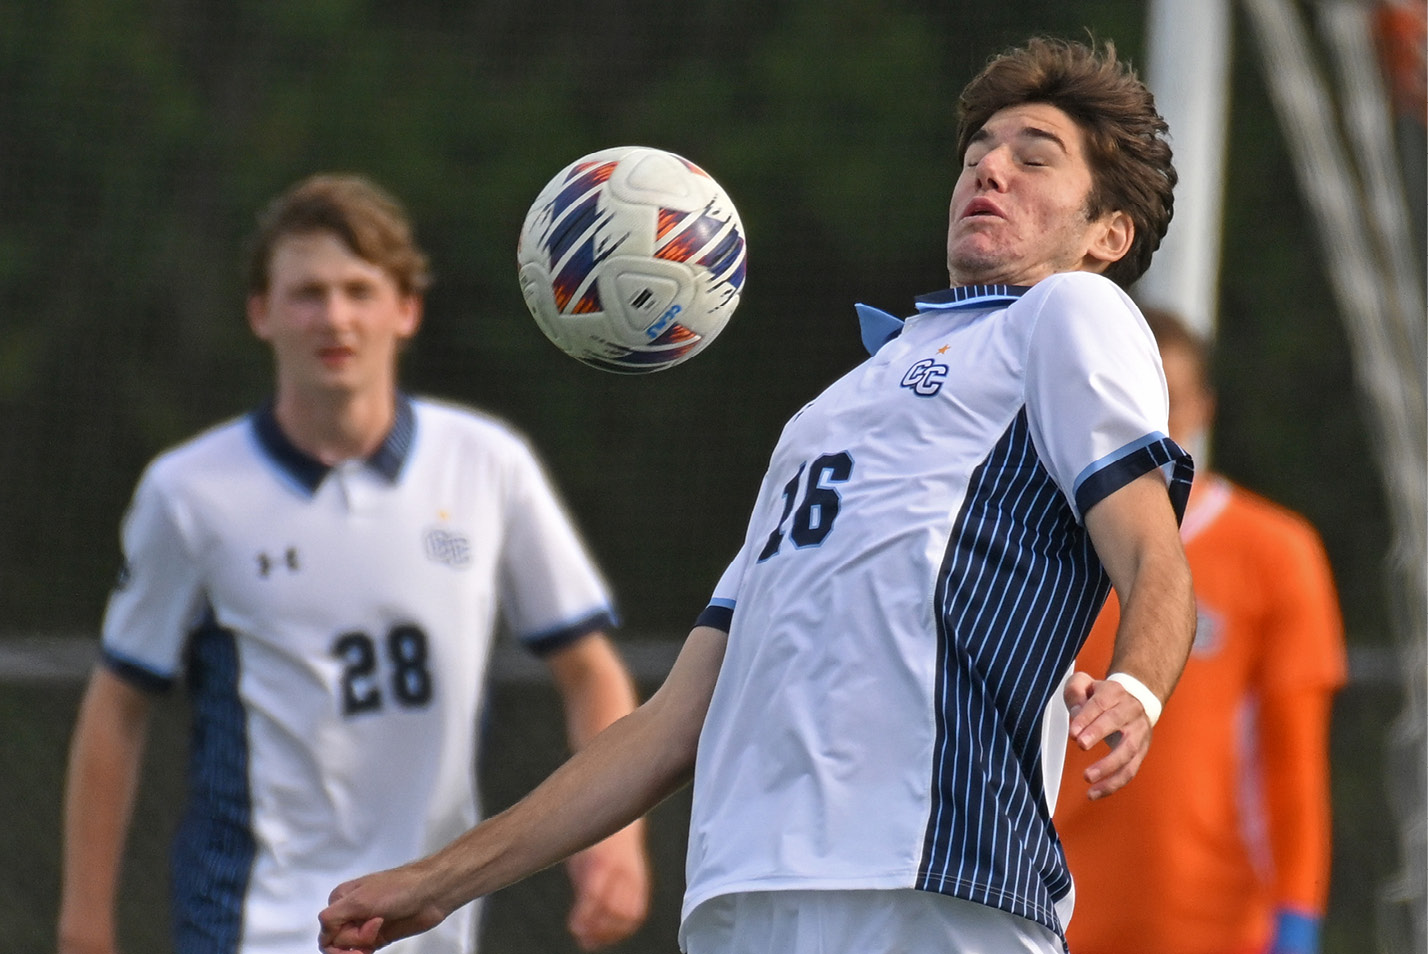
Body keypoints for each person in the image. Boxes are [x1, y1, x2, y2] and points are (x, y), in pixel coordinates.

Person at [318, 36, 1197, 954]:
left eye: (1033, 155)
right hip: (745, 894)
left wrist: (1137, 682)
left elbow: (1149, 550)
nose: (990, 169)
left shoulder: (1067, 313)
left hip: (931, 881)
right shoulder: (830, 411)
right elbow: (673, 721)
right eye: (977, 153)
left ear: (1109, 235)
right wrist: (438, 882)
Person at [56, 174, 651, 954]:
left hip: (430, 924)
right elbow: (118, 705)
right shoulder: (190, 492)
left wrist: (616, 841)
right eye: (306, 293)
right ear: (260, 313)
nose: (334, 316)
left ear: (405, 309)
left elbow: (589, 669)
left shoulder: (487, 464)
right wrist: (84, 923)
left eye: (358, 290)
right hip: (250, 926)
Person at [1054, 307, 1347, 954]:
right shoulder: (1039, 554)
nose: (1150, 429)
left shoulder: (1275, 553)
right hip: (1053, 923)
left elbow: (1294, 761)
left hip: (1220, 932)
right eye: (1132, 403)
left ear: (1203, 408)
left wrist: (1297, 913)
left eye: (1170, 404)